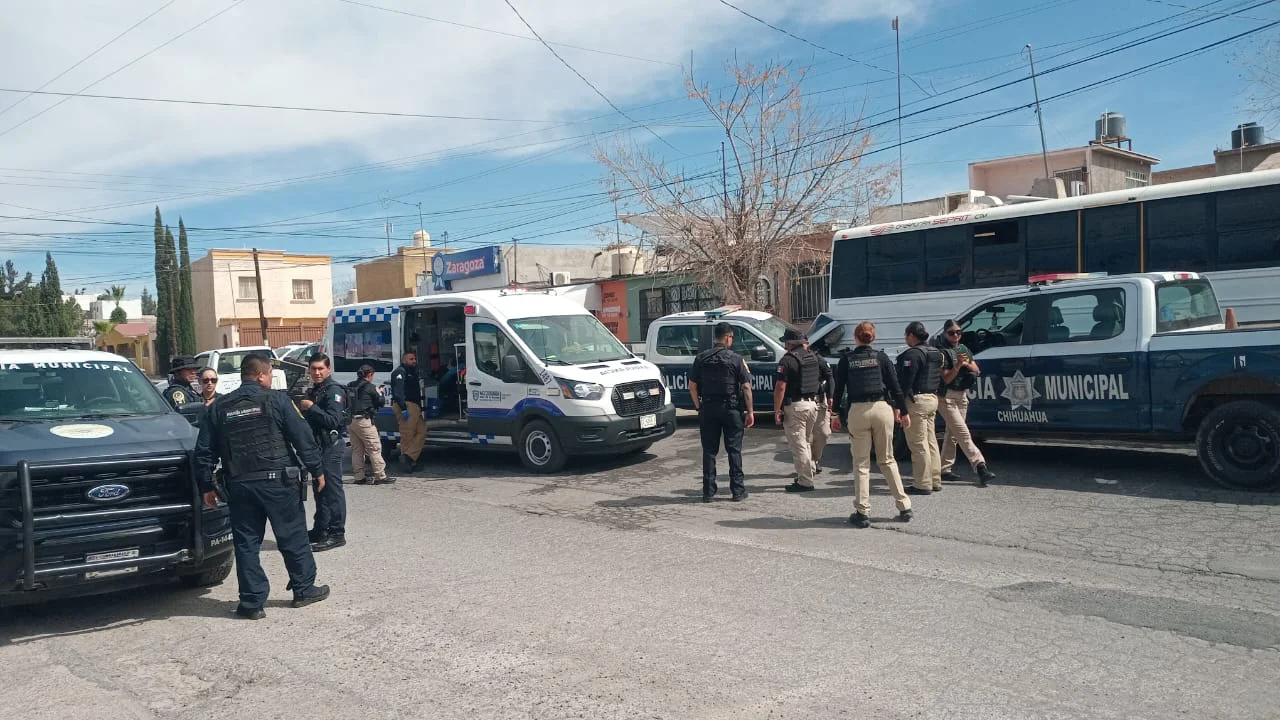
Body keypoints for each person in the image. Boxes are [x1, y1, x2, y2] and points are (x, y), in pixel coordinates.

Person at [193, 353, 330, 620]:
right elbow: (302, 438)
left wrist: (205, 486)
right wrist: (317, 469)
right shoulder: (277, 400)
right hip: (279, 483)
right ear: (260, 375)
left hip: (240, 485)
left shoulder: (218, 408)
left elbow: (204, 452)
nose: (269, 380)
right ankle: (303, 589)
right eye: (268, 375)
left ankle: (252, 603)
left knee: (246, 543)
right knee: (292, 536)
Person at [833, 321, 912, 528]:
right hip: (882, 409)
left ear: (856, 338)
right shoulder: (881, 358)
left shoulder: (846, 360)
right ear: (873, 338)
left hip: (858, 411)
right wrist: (903, 411)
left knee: (861, 464)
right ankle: (904, 506)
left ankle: (862, 511)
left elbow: (838, 389)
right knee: (887, 459)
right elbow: (895, 387)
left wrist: (835, 414)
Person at [689, 322, 755, 502]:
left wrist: (698, 407)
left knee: (709, 451)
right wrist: (750, 411)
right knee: (734, 450)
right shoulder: (736, 359)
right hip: (731, 409)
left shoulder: (701, 358)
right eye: (732, 337)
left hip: (709, 408)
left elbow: (692, 386)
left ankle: (708, 492)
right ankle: (738, 491)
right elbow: (746, 387)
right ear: (727, 337)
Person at [935, 319, 996, 487]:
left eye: (959, 332)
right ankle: (980, 466)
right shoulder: (941, 352)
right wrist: (958, 365)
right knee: (963, 433)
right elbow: (946, 378)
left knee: (953, 434)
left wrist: (967, 363)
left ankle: (944, 469)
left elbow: (977, 369)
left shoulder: (963, 349)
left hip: (962, 396)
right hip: (946, 396)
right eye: (952, 333)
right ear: (945, 333)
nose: (956, 336)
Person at [300, 353, 349, 552]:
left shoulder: (334, 391)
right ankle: (321, 529)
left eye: (321, 368)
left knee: (332, 489)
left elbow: (333, 421)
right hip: (318, 445)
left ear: (328, 369)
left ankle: (337, 532)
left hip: (331, 445)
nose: (317, 372)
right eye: (314, 369)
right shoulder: (316, 390)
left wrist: (311, 408)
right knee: (319, 488)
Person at [774, 328, 832, 493]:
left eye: (786, 342)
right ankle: (808, 472)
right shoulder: (813, 357)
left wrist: (777, 410)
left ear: (790, 343)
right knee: (805, 442)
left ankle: (805, 481)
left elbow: (780, 387)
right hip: (812, 405)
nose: (784, 344)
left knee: (798, 445)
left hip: (796, 407)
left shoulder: (787, 360)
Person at [898, 321, 946, 494]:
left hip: (917, 401)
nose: (905, 339)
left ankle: (922, 483)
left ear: (911, 335)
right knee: (931, 441)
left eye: (906, 335)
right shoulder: (936, 353)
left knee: (918, 444)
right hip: (933, 398)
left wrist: (899, 406)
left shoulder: (913, 354)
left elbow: (906, 382)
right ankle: (935, 479)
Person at [348, 364, 394, 486]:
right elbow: (380, 402)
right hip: (364, 421)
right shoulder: (370, 387)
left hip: (351, 421)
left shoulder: (351, 385)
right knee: (374, 448)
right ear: (370, 375)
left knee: (357, 449)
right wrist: (380, 392)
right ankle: (380, 475)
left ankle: (359, 477)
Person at [389, 351, 426, 472]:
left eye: (414, 358)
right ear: (404, 360)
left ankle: (409, 457)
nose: (414, 361)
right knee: (407, 435)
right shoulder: (400, 372)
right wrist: (403, 408)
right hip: (406, 405)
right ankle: (408, 464)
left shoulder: (411, 372)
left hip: (415, 406)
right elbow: (398, 392)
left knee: (422, 431)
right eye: (411, 359)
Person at [808, 339, 836, 477]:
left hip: (819, 400)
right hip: (803, 402)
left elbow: (829, 376)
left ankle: (814, 458)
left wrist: (830, 396)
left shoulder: (818, 359)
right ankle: (810, 464)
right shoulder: (792, 359)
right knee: (807, 436)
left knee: (824, 433)